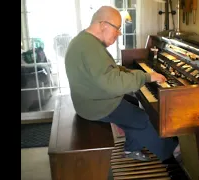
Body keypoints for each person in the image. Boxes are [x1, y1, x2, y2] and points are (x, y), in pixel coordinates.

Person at [65, 6, 180, 162]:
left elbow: (106, 70)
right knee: (142, 118)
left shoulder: (85, 41)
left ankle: (131, 148)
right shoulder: (90, 48)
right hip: (95, 106)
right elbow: (113, 83)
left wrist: (129, 72)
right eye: (117, 28)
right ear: (104, 25)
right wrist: (146, 77)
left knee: (132, 101)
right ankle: (172, 154)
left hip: (89, 99)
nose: (119, 33)